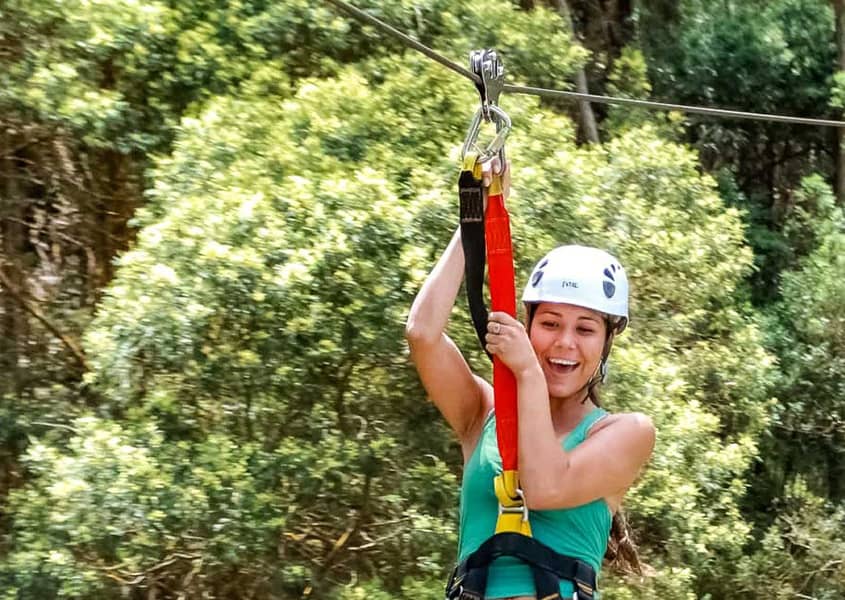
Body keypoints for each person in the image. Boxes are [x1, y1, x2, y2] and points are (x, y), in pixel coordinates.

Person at [404, 159, 655, 599]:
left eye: (585, 329)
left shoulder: (627, 432)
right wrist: (475, 216)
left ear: (607, 340)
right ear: (527, 325)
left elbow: (543, 486)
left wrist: (525, 372)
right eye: (551, 323)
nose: (565, 344)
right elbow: (422, 333)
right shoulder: (482, 414)